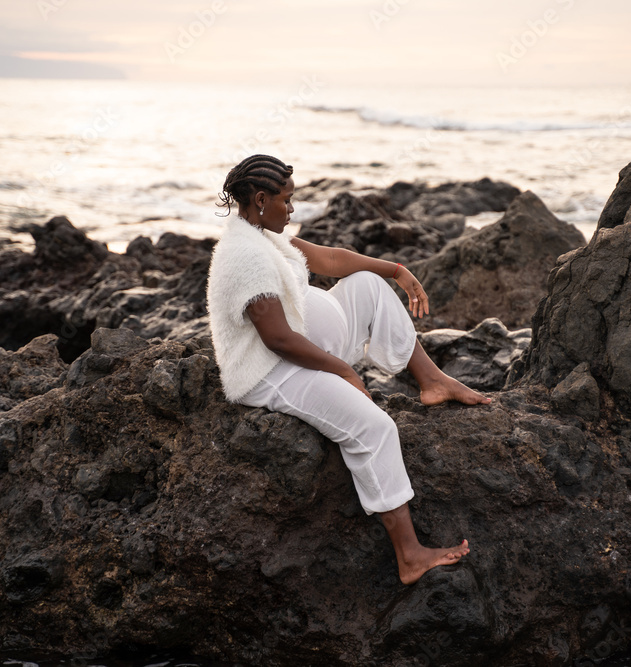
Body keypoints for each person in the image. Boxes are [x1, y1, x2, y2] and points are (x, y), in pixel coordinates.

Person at [206, 154, 490, 585]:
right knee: (376, 429)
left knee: (370, 287)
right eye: (287, 200)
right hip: (272, 372)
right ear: (261, 199)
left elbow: (331, 261)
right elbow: (277, 339)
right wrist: (344, 372)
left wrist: (395, 270)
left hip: (303, 347)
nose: (293, 208)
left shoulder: (263, 234)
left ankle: (432, 380)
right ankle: (409, 555)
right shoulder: (243, 256)